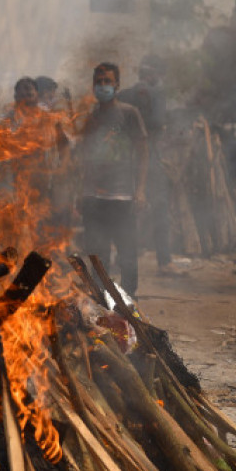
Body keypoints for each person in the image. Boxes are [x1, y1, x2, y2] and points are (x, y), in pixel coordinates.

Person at [77, 62, 148, 297]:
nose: (103, 86)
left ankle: (128, 301)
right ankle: (103, 301)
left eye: (108, 81)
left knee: (127, 254)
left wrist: (140, 190)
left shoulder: (128, 114)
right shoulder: (91, 118)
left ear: (117, 84)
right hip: (94, 198)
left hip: (122, 196)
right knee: (98, 255)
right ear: (93, 86)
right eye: (99, 82)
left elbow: (142, 152)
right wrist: (80, 192)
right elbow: (83, 158)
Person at [117, 55, 182, 276]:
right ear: (154, 75)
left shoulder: (123, 95)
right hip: (149, 156)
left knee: (126, 208)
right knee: (160, 207)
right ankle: (165, 262)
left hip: (124, 158)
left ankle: (123, 258)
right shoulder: (157, 94)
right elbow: (158, 123)